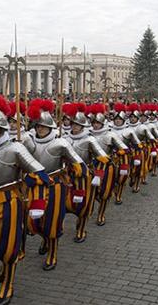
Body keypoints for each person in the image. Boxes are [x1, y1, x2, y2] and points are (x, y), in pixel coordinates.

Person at [0, 95, 49, 304]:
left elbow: (39, 172)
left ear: (1, 128)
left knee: (8, 245)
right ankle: (4, 264)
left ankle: (8, 281)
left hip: (10, 202)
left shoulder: (15, 148)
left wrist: (35, 194)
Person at [26, 99, 85, 270]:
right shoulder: (29, 142)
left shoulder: (61, 143)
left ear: (50, 127)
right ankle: (44, 238)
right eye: (38, 126)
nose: (40, 129)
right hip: (36, 188)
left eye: (43, 127)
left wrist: (74, 173)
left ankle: (53, 251)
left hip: (55, 187)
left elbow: (79, 164)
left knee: (52, 221)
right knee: (33, 223)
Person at [63, 103, 109, 243]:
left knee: (82, 205)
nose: (74, 127)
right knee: (61, 203)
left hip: (83, 176)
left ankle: (81, 228)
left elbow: (103, 158)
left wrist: (98, 175)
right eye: (73, 124)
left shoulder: (89, 139)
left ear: (82, 126)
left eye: (77, 125)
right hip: (66, 176)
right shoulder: (64, 138)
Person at [87, 103, 128, 225]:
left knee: (104, 192)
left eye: (98, 123)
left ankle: (101, 214)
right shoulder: (87, 135)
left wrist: (120, 151)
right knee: (88, 191)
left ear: (102, 123)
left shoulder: (110, 135)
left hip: (106, 166)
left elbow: (124, 149)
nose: (95, 125)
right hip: (90, 166)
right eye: (94, 123)